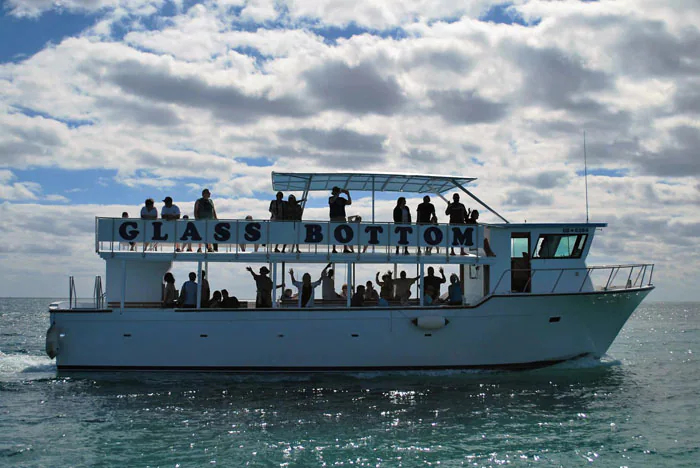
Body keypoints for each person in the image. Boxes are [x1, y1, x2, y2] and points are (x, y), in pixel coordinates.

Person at [329, 186, 352, 253]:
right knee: (334, 233)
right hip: (334, 218)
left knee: (344, 232)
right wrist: (338, 193)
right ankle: (334, 248)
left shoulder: (342, 199)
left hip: (342, 218)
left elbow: (349, 202)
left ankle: (345, 248)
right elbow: (332, 201)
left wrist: (348, 194)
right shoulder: (331, 198)